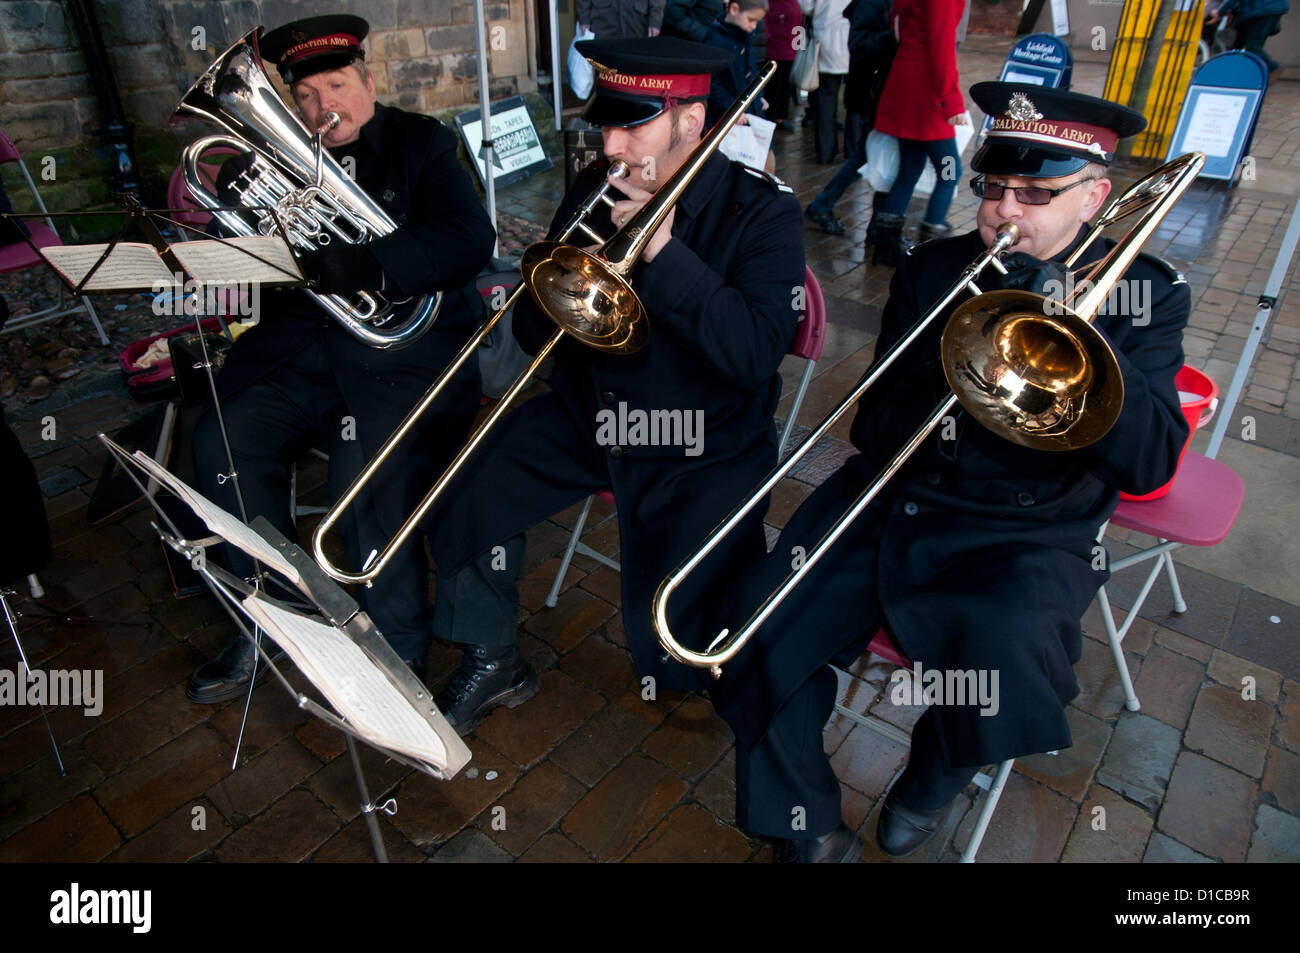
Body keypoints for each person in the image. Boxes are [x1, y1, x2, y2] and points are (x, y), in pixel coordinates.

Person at [708, 82, 1191, 862]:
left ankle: (932, 777)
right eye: (993, 186)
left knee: (1011, 659)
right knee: (757, 627)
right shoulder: (936, 268)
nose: (1005, 210)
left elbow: (1151, 458)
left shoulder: (1146, 294)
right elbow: (872, 426)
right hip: (899, 494)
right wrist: (956, 366)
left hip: (1026, 528)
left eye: (1037, 192)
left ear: (1096, 195)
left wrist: (1085, 352)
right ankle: (802, 817)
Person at [421, 37, 806, 734]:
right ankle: (492, 654)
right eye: (604, 122)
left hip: (704, 437)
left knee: (689, 638)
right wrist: (553, 294)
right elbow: (542, 337)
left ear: (690, 121)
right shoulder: (596, 182)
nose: (610, 141)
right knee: (467, 481)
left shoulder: (762, 212)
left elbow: (752, 352)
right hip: (596, 413)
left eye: (631, 123)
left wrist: (659, 252)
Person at [184, 14, 496, 704]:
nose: (325, 108)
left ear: (369, 80)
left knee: (365, 492)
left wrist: (370, 264)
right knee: (219, 443)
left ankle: (396, 654)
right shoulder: (276, 158)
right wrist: (232, 221)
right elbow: (238, 274)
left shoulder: (423, 143)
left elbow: (471, 239)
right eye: (305, 96)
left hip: (405, 354)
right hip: (302, 354)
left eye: (338, 84)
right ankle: (268, 615)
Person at [871, 0, 967, 266]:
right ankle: (930, 249)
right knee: (950, 172)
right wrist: (951, 99)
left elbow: (898, 27)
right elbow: (942, 46)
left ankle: (885, 248)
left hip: (906, 80)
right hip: (927, 90)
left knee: (909, 170)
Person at [803, 0, 896, 236]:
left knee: (871, 153)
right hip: (871, 88)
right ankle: (825, 204)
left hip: (873, 87)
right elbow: (860, 43)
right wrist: (895, 34)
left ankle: (876, 222)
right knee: (867, 153)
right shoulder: (872, 4)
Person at [704, 0, 769, 127]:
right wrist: (731, 110)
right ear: (734, 9)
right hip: (725, 118)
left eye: (757, 21)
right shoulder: (715, 40)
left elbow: (752, 69)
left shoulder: (745, 35)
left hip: (746, 111)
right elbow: (712, 84)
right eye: (751, 20)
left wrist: (758, 96)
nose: (754, 26)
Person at [808, 0, 853, 163]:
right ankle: (853, 152)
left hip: (824, 38)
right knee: (856, 99)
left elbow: (805, 6)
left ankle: (825, 152)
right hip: (853, 35)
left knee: (826, 98)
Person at [1212, 0, 1289, 76]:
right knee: (1240, 45)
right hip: (1262, 9)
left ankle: (1273, 67)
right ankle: (1242, 74)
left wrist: (1220, 11)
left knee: (1252, 46)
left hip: (1263, 9)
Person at [763, 0, 803, 131]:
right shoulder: (771, 3)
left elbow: (798, 24)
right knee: (774, 87)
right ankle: (771, 118)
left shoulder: (793, 3)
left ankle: (780, 117)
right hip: (775, 49)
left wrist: (799, 46)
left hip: (790, 50)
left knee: (784, 86)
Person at [580, 0, 667, 38]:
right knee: (604, 68)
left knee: (634, 68)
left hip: (638, 21)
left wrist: (655, 20)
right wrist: (584, 19)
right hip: (603, 20)